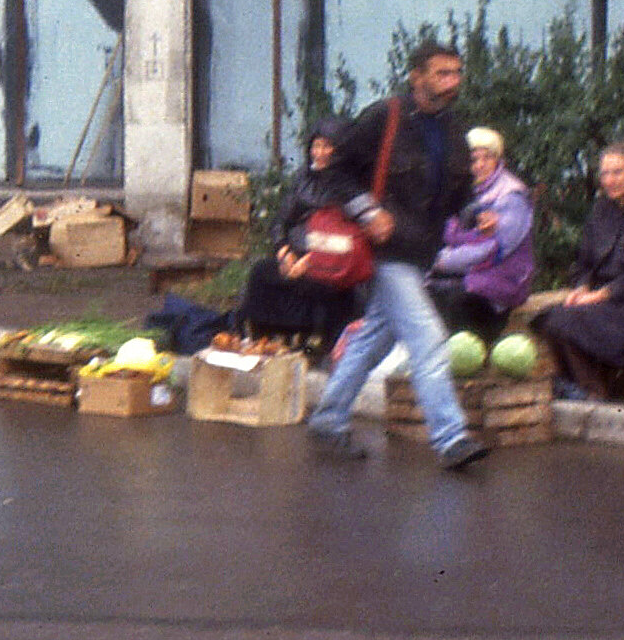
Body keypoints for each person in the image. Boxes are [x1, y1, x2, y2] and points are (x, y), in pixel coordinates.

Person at [303, 40, 488, 471]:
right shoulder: (382, 117)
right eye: (442, 73)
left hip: (421, 252)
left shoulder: (452, 127)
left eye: (456, 73)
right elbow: (334, 172)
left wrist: (474, 213)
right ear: (416, 76)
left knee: (374, 338)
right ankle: (451, 437)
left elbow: (460, 190)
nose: (452, 82)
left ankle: (329, 419)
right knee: (428, 337)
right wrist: (367, 211)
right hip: (384, 253)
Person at [533, 142, 624, 403]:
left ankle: (592, 392)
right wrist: (581, 288)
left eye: (618, 172)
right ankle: (583, 386)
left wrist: (601, 295)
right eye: (604, 173)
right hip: (606, 300)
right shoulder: (601, 210)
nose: (609, 180)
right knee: (548, 317)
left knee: (566, 321)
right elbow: (584, 262)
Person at [228, 119, 365, 350]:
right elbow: (281, 221)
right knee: (262, 272)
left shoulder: (349, 186)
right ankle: (264, 342)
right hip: (295, 256)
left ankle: (315, 345)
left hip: (332, 265)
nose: (319, 153)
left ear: (339, 150)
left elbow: (349, 239)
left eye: (326, 147)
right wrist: (284, 253)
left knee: (317, 287)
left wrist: (311, 261)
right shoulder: (303, 178)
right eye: (315, 146)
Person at [425, 126, 536, 346]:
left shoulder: (511, 195)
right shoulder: (466, 192)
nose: (479, 165)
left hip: (503, 280)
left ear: (498, 160)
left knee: (457, 299)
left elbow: (494, 247)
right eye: (473, 159)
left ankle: (472, 355)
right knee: (426, 290)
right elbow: (447, 234)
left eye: (487, 158)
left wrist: (444, 261)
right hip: (467, 273)